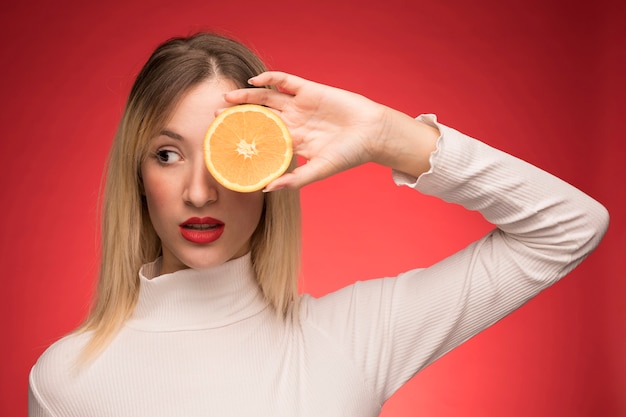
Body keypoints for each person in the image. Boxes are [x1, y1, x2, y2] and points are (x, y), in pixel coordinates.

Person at [28, 32, 609, 417]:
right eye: (168, 154)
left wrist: (388, 134)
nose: (200, 191)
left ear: (273, 162)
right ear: (137, 175)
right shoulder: (66, 381)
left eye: (231, 151)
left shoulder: (356, 334)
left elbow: (570, 226)